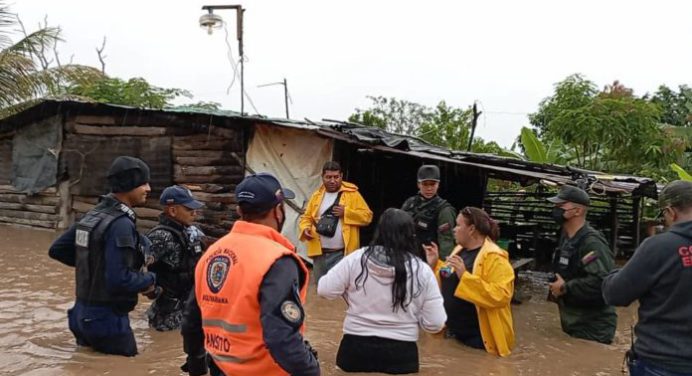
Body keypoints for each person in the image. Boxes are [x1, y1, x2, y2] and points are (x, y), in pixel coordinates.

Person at [181, 172, 319, 376]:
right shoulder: (277, 260)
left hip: (221, 368)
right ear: (278, 211)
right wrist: (310, 370)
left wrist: (197, 362)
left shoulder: (212, 253)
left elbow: (192, 320)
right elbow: (281, 338)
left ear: (239, 210)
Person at [48, 156, 157, 356]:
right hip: (107, 320)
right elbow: (120, 280)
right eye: (144, 183)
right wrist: (150, 278)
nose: (148, 188)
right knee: (126, 369)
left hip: (80, 315)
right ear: (129, 184)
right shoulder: (121, 224)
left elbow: (57, 250)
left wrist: (95, 265)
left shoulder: (92, 215)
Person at [317, 208, 446, 374]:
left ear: (379, 232)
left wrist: (349, 293)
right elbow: (435, 324)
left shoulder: (356, 259)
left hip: (355, 348)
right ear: (410, 235)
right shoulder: (421, 270)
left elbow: (323, 290)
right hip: (401, 354)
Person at [602, 180, 692, 376]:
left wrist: (613, 272)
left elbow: (615, 294)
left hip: (662, 362)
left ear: (671, 211)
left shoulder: (659, 247)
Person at [424, 207, 515, 357]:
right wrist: (435, 264)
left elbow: (502, 295)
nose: (454, 229)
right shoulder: (459, 249)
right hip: (453, 334)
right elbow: (448, 275)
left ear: (471, 229)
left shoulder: (495, 257)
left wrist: (465, 276)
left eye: (458, 225)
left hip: (478, 340)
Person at [546, 185, 617, 344]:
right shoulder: (566, 237)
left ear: (577, 211)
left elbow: (602, 282)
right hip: (575, 321)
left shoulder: (591, 243)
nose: (555, 209)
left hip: (593, 328)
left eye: (560, 206)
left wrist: (565, 288)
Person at [299, 161, 373, 283]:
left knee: (341, 292)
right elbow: (306, 218)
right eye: (328, 177)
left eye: (336, 177)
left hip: (342, 255)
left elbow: (368, 217)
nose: (332, 181)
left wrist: (347, 213)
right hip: (319, 254)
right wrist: (305, 228)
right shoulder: (317, 195)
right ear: (322, 177)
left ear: (341, 176)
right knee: (321, 290)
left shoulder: (352, 194)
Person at [145, 185, 206, 331]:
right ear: (172, 210)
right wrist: (149, 289)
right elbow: (136, 264)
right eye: (189, 209)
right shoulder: (160, 237)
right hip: (168, 316)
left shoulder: (193, 232)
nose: (194, 213)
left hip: (191, 308)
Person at [402, 165, 457, 259]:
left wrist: (442, 267)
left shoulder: (444, 210)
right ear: (418, 184)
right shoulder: (409, 203)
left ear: (438, 185)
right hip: (406, 256)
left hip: (427, 261)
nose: (429, 188)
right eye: (425, 184)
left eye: (432, 184)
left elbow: (446, 242)